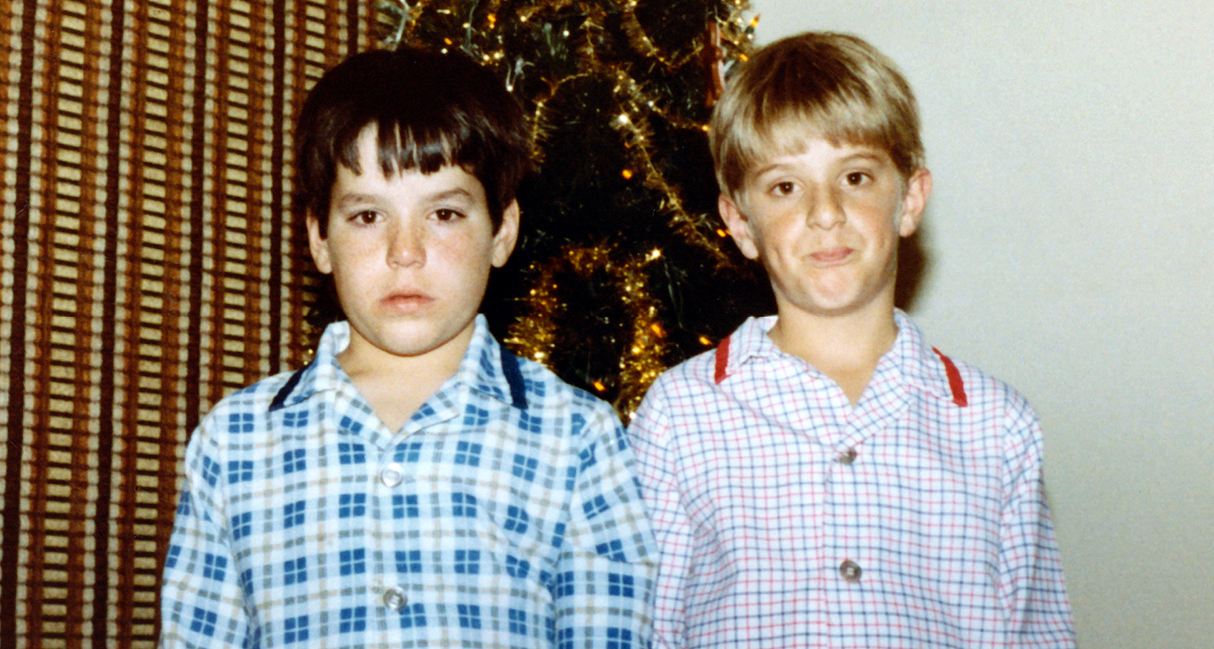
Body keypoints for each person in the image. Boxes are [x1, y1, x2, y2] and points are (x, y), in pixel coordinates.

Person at [159, 48, 654, 648]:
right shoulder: (234, 441)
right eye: (368, 216)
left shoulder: (577, 438)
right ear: (319, 238)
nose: (405, 251)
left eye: (443, 213)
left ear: (502, 231)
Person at [629, 32, 1073, 647]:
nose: (825, 212)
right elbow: (646, 629)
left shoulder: (997, 426)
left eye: (856, 177)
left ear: (910, 199)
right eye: (785, 187)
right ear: (740, 223)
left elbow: (1038, 634)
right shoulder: (680, 414)